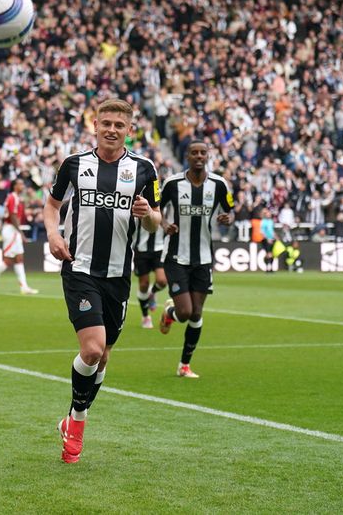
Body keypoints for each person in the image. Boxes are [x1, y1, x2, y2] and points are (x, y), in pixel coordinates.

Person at [42, 99, 161, 464]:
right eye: (105, 123)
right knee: (92, 349)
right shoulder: (74, 165)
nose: (111, 129)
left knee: (104, 356)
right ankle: (77, 421)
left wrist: (148, 215)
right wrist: (53, 234)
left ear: (129, 129)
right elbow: (52, 205)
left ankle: (72, 417)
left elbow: (155, 220)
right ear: (95, 125)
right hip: (79, 269)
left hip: (118, 275)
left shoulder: (144, 169)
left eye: (118, 124)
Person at [158, 140, 234, 379]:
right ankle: (171, 312)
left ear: (208, 156)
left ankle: (184, 365)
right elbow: (155, 209)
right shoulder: (172, 183)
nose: (199, 156)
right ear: (187, 157)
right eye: (194, 153)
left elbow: (229, 209)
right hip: (176, 256)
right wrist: (164, 224)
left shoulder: (219, 184)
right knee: (185, 312)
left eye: (203, 152)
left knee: (197, 314)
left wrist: (227, 219)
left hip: (203, 257)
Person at [0, 178, 39, 295]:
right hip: (11, 229)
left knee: (19, 258)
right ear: (14, 186)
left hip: (12, 229)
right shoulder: (13, 197)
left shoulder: (13, 197)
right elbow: (12, 215)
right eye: (20, 184)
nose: (23, 186)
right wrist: (20, 233)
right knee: (8, 259)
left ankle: (24, 287)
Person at [132, 216, 167, 328]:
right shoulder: (138, 201)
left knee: (162, 281)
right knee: (143, 284)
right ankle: (145, 316)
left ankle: (152, 293)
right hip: (141, 249)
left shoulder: (164, 201)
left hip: (159, 248)